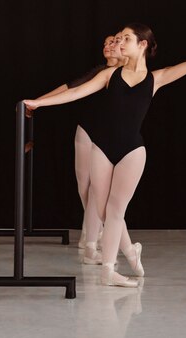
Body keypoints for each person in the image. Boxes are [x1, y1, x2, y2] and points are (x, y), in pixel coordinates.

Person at [24, 24, 186, 287]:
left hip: (132, 151)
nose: (120, 43)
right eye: (119, 39)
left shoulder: (156, 78)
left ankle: (108, 270)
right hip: (102, 148)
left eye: (126, 39)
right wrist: (40, 103)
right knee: (102, 211)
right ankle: (131, 252)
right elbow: (76, 92)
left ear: (142, 44)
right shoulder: (110, 74)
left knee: (115, 210)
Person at [38, 34, 126, 261]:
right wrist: (37, 101)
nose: (108, 45)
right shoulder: (98, 72)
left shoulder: (128, 74)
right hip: (87, 130)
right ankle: (91, 233)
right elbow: (70, 89)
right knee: (84, 187)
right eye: (105, 43)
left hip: (109, 136)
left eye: (113, 42)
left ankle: (92, 243)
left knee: (99, 190)